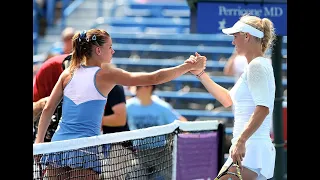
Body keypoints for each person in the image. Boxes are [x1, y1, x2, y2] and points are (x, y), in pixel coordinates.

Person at [34, 28, 206, 179]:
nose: (113, 51)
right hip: (85, 150)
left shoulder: (67, 74)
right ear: (99, 50)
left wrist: (39, 143)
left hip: (57, 147)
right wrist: (186, 67)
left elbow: (48, 109)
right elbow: (154, 78)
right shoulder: (105, 74)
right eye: (110, 47)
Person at [189, 15, 276, 180]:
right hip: (249, 150)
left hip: (250, 150)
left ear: (247, 36)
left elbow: (263, 109)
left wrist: (241, 141)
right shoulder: (254, 66)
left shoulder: (257, 66)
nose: (233, 42)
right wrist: (200, 74)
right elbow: (227, 100)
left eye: (235, 36)